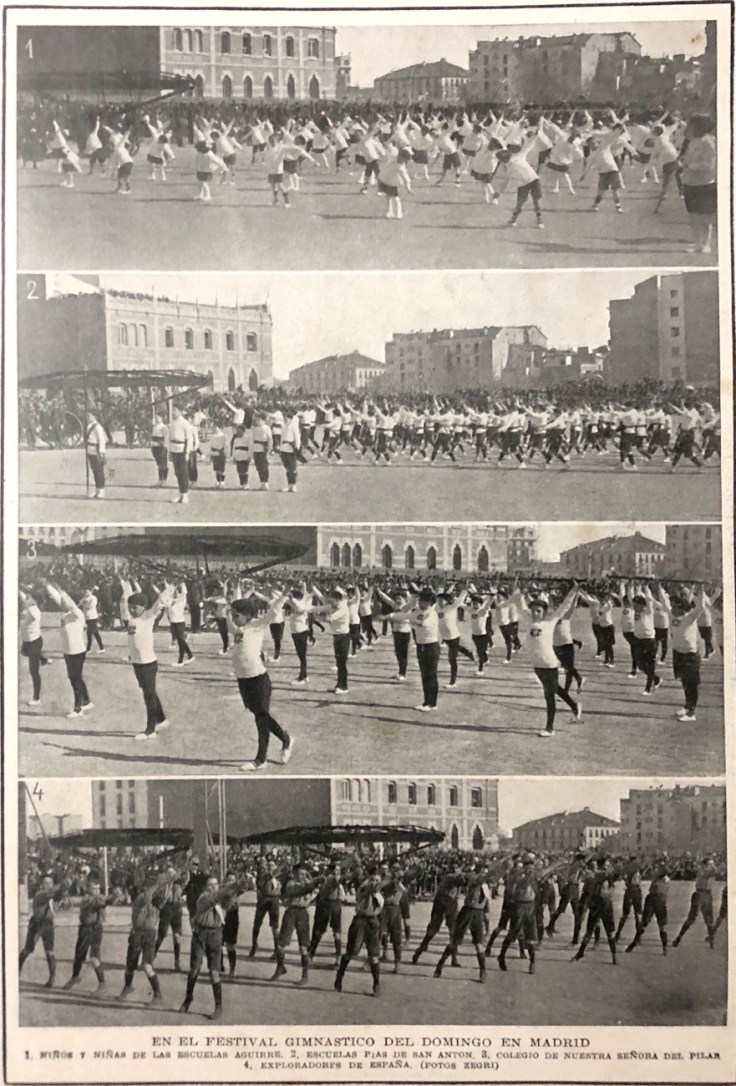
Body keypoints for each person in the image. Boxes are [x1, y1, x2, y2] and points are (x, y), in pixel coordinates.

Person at [228, 591, 294, 771]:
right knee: (259, 715)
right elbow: (228, 620)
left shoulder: (257, 625)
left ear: (248, 615)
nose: (233, 619)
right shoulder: (238, 630)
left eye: (236, 616)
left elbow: (273, 612)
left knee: (261, 719)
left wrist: (282, 597)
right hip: (243, 680)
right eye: (233, 615)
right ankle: (285, 738)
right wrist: (230, 602)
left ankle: (260, 759)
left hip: (258, 679)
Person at [509, 581, 581, 736]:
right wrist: (515, 587)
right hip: (536, 664)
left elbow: (564, 607)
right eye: (533, 611)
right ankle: (574, 706)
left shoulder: (550, 621)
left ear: (544, 612)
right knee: (555, 689)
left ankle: (550, 728)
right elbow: (520, 602)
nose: (535, 614)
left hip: (549, 663)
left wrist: (574, 590)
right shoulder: (528, 620)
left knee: (549, 694)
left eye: (538, 611)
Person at [179, 871, 246, 1019]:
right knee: (194, 969)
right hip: (200, 934)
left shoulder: (220, 899)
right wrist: (233, 884)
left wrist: (240, 887)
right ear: (205, 887)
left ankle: (218, 1006)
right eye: (211, 885)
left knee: (214, 972)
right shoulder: (203, 898)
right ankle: (188, 998)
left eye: (216, 884)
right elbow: (215, 897)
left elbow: (229, 900)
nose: (214, 887)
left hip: (216, 934)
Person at [118, 869, 178, 1005]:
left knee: (147, 965)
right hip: (137, 933)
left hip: (150, 934)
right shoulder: (141, 898)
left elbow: (164, 896)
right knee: (130, 965)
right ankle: (127, 987)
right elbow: (147, 897)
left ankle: (157, 994)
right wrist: (158, 883)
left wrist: (168, 882)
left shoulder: (157, 901)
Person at [126, 582, 175, 741]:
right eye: (130, 607)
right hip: (137, 662)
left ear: (143, 607)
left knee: (148, 695)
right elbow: (134, 640)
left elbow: (160, 601)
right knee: (149, 691)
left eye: (135, 607)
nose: (132, 610)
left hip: (148, 663)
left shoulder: (148, 616)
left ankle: (150, 729)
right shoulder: (132, 620)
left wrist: (171, 587)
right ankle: (161, 719)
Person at [43, 581, 93, 718]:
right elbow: (60, 601)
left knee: (75, 678)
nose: (62, 605)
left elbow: (67, 602)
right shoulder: (65, 615)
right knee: (75, 678)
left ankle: (78, 709)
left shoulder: (78, 614)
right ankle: (87, 701)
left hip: (77, 651)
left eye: (65, 603)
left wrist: (62, 592)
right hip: (68, 651)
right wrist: (49, 587)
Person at [435, 863, 491, 982]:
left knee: (479, 944)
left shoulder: (485, 884)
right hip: (468, 912)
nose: (484, 873)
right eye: (483, 871)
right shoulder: (474, 878)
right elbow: (483, 878)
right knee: (455, 941)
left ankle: (483, 970)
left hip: (478, 913)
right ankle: (440, 964)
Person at [334, 866, 384, 997]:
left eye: (377, 880)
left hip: (373, 921)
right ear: (368, 878)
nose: (375, 882)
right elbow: (369, 890)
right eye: (372, 879)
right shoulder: (364, 887)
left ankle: (376, 983)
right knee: (352, 951)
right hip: (360, 921)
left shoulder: (378, 891)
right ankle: (340, 975)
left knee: (374, 955)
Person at [270, 864, 320, 986]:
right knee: (281, 943)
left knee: (303, 946)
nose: (303, 876)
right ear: (295, 874)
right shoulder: (291, 884)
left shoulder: (309, 883)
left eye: (305, 874)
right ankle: (280, 967)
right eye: (301, 874)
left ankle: (305, 974)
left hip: (303, 913)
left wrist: (315, 888)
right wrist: (315, 883)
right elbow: (301, 889)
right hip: (291, 912)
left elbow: (313, 894)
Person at [63, 877, 110, 992]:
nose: (97, 890)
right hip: (85, 929)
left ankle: (102, 983)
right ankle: (75, 977)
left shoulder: (99, 897)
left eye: (98, 888)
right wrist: (110, 898)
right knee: (79, 955)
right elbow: (96, 903)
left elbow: (102, 903)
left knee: (94, 956)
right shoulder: (86, 899)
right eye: (94, 888)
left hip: (97, 929)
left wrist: (112, 899)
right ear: (88, 889)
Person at [412, 861, 464, 965]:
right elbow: (460, 878)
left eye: (456, 867)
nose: (454, 869)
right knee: (433, 930)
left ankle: (454, 958)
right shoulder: (450, 876)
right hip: (441, 902)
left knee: (453, 931)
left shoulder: (458, 877)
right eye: (453, 867)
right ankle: (419, 951)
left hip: (452, 902)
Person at [679, 114, 717, 254]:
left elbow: (709, 163)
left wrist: (689, 166)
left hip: (705, 183)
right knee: (693, 215)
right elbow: (687, 159)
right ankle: (697, 242)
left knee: (705, 215)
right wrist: (682, 163)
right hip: (690, 182)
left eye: (691, 125)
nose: (688, 128)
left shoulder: (709, 141)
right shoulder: (692, 141)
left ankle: (706, 244)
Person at [19, 874, 66, 986]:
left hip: (48, 924)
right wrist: (62, 885)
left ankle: (52, 978)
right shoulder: (40, 894)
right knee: (28, 949)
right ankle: (16, 972)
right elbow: (49, 894)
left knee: (50, 951)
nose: (48, 885)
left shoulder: (53, 895)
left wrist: (63, 890)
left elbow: (59, 897)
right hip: (36, 923)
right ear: (41, 885)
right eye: (46, 883)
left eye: (50, 883)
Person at [571, 857, 619, 965]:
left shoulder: (597, 875)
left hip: (601, 903)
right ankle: (613, 955)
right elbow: (611, 875)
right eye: (606, 865)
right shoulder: (600, 875)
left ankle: (581, 953)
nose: (607, 867)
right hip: (600, 903)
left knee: (597, 930)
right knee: (602, 931)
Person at [672, 857, 717, 948]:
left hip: (708, 894)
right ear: (704, 865)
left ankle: (712, 941)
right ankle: (679, 938)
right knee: (691, 918)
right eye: (709, 864)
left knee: (709, 919)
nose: (711, 866)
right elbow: (709, 873)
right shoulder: (702, 871)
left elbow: (715, 872)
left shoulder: (709, 871)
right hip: (699, 894)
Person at [308, 862, 345, 963]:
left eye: (338, 871)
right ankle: (311, 953)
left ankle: (337, 955)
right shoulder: (328, 879)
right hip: (325, 905)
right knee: (319, 931)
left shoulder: (333, 880)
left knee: (336, 932)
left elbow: (342, 896)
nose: (337, 873)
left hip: (334, 905)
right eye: (335, 871)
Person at [249, 859, 281, 958]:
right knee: (257, 923)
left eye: (272, 865)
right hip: (263, 900)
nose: (270, 867)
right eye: (269, 865)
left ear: (275, 866)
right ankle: (254, 945)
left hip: (274, 901)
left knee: (274, 926)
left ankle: (276, 949)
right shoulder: (263, 875)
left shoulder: (280, 876)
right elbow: (259, 886)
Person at [19, 588, 45, 706]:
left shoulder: (35, 611)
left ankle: (36, 697)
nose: (26, 599)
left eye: (29, 598)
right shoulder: (29, 606)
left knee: (33, 671)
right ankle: (43, 659)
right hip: (27, 641)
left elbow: (33, 615)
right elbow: (23, 596)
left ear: (34, 601)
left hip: (34, 642)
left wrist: (28, 605)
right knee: (24, 652)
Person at [166, 578, 194, 667]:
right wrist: (172, 585)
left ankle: (181, 660)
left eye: (177, 592)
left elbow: (184, 594)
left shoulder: (181, 601)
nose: (175, 593)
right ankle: (190, 656)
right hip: (173, 623)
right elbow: (167, 593)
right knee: (180, 641)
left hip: (179, 622)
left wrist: (181, 583)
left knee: (181, 641)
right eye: (174, 592)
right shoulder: (170, 600)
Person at [85, 412, 107, 499]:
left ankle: (101, 489)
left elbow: (102, 440)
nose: (87, 417)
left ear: (95, 416)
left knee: (99, 471)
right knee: (94, 471)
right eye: (87, 416)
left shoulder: (98, 427)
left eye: (89, 416)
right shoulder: (89, 426)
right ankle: (97, 489)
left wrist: (101, 451)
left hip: (96, 451)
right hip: (90, 450)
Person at [80, 586, 105, 654]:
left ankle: (88, 649)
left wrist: (85, 603)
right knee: (95, 633)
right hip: (87, 617)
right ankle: (101, 648)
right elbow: (79, 604)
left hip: (92, 617)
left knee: (89, 633)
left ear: (91, 592)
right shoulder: (84, 598)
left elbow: (90, 606)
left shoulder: (93, 598)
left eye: (87, 592)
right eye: (85, 592)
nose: (86, 593)